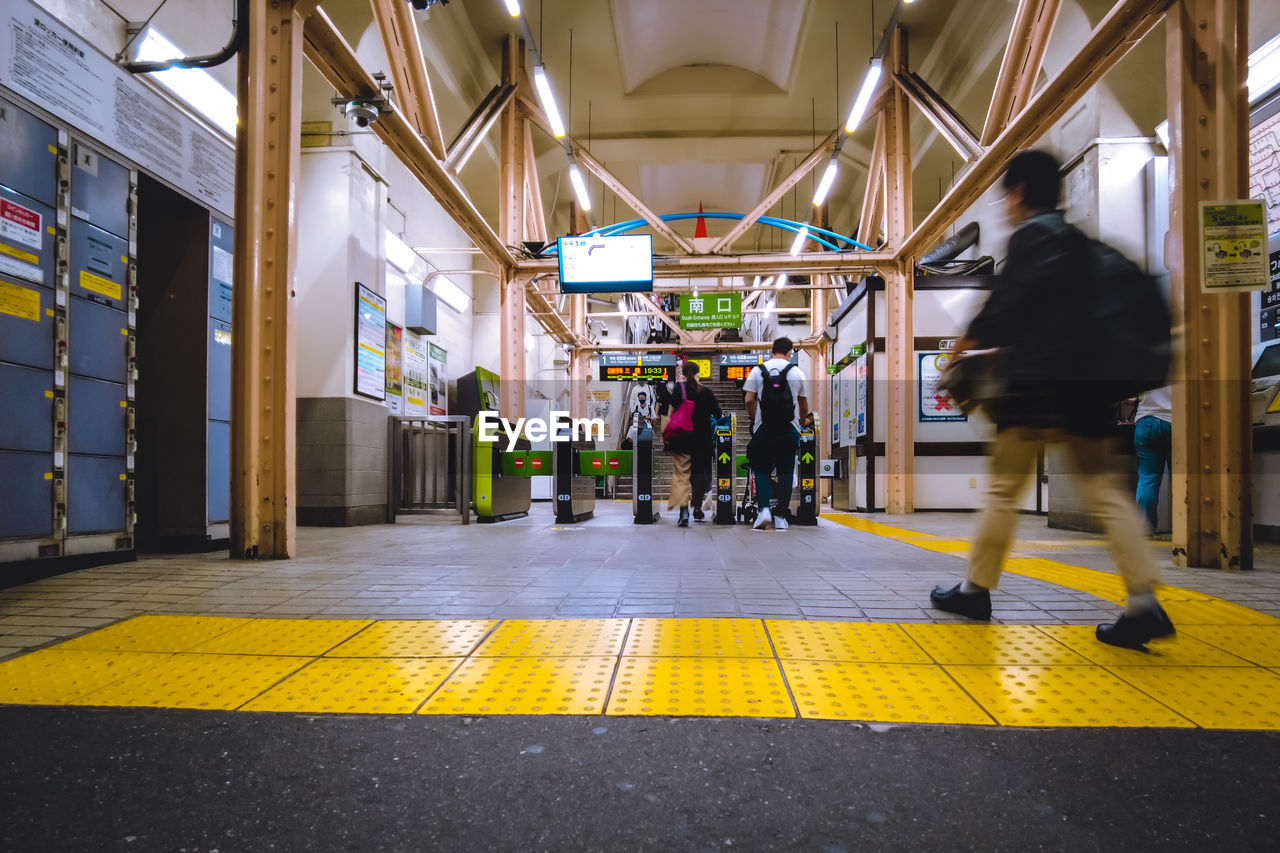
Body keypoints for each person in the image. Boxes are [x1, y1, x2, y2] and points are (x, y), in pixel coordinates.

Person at [928, 149, 1174, 650]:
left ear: (1019, 192)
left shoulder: (1033, 238)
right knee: (1105, 492)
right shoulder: (1084, 247)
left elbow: (1005, 309)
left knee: (1002, 492)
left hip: (1034, 392)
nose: (1003, 207)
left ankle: (975, 590)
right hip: (1087, 391)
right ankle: (1144, 601)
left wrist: (962, 347)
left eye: (1004, 196)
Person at [743, 337, 808, 531]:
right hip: (789, 429)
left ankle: (763, 510)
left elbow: (748, 400)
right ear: (790, 353)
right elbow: (804, 404)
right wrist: (802, 421)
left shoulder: (758, 370)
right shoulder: (797, 372)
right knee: (786, 471)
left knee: (761, 469)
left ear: (772, 351)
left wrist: (755, 418)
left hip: (764, 428)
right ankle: (780, 515)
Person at [664, 361, 722, 527]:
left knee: (682, 477)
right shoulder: (707, 392)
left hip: (681, 441)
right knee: (699, 478)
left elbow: (671, 413)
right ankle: (696, 507)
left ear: (682, 372)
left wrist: (666, 433)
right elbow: (718, 414)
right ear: (699, 374)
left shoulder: (678, 389)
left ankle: (683, 513)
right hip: (701, 442)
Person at [1133, 385, 1172, 534]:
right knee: (1182, 482)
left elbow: (1129, 398)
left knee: (1147, 478)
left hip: (1146, 422)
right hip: (1176, 422)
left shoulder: (1148, 363)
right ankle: (1187, 525)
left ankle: (1145, 528)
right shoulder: (1188, 364)